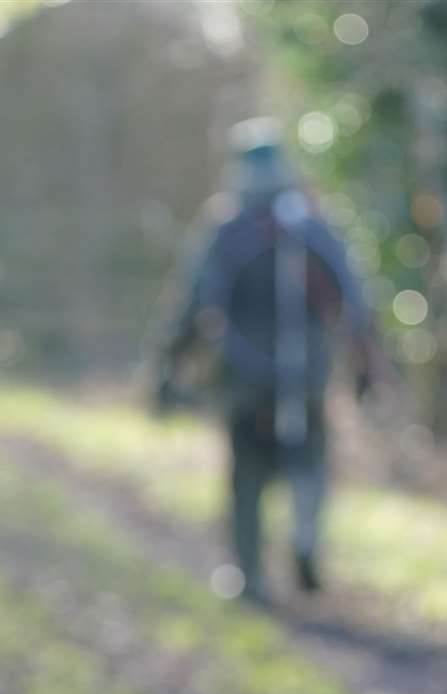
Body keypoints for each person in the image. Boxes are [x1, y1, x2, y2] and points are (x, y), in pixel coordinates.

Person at [156, 117, 389, 603]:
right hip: (306, 374)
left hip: (243, 376)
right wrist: (365, 367)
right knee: (309, 464)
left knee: (247, 478)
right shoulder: (314, 226)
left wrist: (169, 368)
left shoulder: (225, 228)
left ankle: (250, 575)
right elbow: (353, 301)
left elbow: (196, 303)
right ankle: (305, 543)